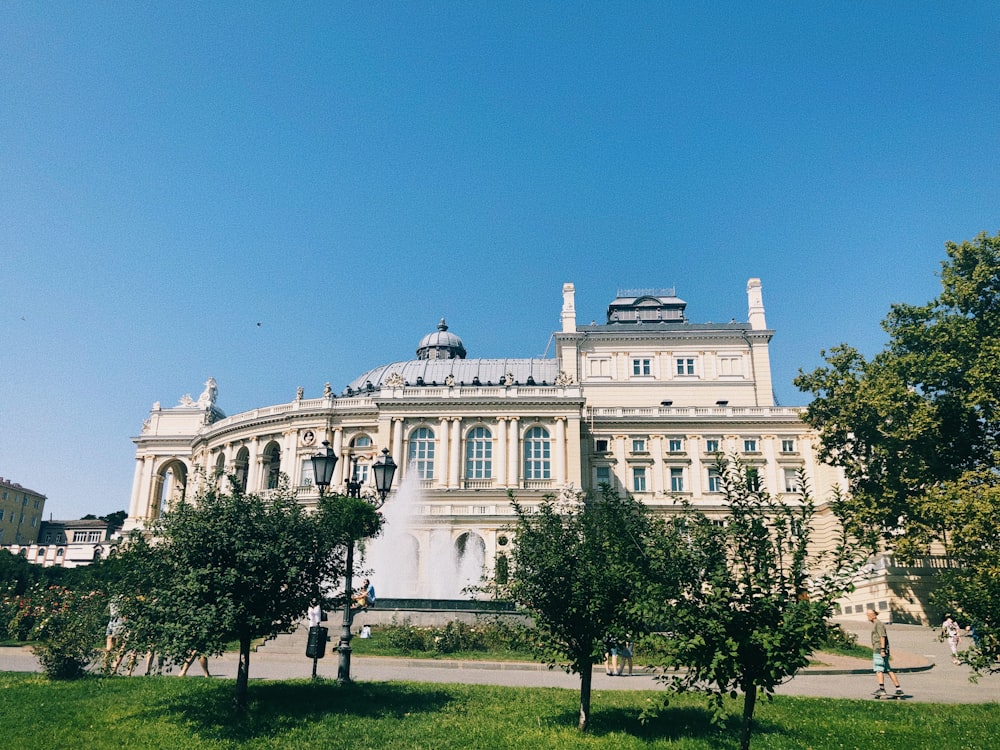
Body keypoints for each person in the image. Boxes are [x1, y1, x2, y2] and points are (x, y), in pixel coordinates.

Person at [867, 609, 902, 696]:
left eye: (868, 615)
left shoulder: (878, 624)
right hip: (881, 649)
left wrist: (882, 650)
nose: (867, 617)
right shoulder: (877, 624)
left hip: (879, 650)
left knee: (878, 669)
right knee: (888, 669)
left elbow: (882, 637)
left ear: (873, 615)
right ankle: (898, 689)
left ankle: (882, 689)